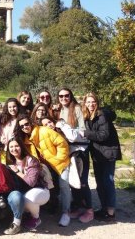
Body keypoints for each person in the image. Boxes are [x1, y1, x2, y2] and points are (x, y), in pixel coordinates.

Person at [14, 115, 71, 227]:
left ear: (30, 122)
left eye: (26, 124)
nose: (25, 127)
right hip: (45, 167)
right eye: (22, 126)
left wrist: (58, 159)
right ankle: (51, 207)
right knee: (50, 186)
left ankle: (66, 212)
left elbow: (62, 143)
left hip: (60, 163)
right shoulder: (26, 140)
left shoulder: (44, 131)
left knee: (64, 184)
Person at [82, 93, 121, 222]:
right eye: (88, 102)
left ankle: (110, 212)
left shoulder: (101, 115)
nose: (91, 104)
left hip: (108, 153)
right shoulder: (88, 116)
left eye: (93, 102)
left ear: (97, 102)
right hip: (98, 154)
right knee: (100, 182)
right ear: (85, 103)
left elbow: (103, 135)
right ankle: (104, 208)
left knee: (107, 181)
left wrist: (85, 133)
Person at [56, 88, 93, 223]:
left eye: (66, 95)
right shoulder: (61, 110)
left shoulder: (76, 109)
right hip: (67, 149)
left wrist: (67, 129)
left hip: (79, 149)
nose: (64, 98)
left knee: (82, 181)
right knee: (73, 181)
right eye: (61, 96)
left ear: (70, 96)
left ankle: (89, 209)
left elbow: (83, 130)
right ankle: (78, 206)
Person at [7, 138, 50, 230]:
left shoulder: (31, 160)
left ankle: (35, 218)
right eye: (11, 147)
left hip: (40, 190)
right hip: (25, 191)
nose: (14, 149)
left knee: (29, 198)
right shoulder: (11, 163)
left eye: (16, 146)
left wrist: (17, 171)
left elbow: (31, 182)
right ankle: (25, 215)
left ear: (22, 147)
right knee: (16, 197)